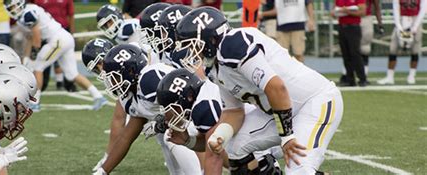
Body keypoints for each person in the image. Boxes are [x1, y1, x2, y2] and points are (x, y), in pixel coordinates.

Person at [175, 7, 343, 174]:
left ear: (211, 39)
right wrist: (220, 136)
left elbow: (276, 87)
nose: (192, 52)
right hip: (281, 111)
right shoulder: (214, 69)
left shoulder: (233, 44)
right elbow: (233, 112)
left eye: (193, 45)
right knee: (236, 146)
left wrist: (287, 136)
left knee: (299, 170)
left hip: (314, 102)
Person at [93, 44, 201, 175]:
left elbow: (180, 109)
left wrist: (160, 123)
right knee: (166, 137)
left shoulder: (149, 79)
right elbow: (126, 137)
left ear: (130, 71)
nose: (111, 83)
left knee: (171, 134)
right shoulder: (130, 97)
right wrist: (103, 171)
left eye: (114, 77)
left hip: (199, 114)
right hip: (185, 122)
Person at [156, 68, 283, 174]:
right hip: (263, 130)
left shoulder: (203, 108)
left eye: (173, 108)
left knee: (236, 152)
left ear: (188, 97)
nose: (171, 115)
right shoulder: (204, 95)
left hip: (273, 133)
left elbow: (213, 158)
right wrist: (188, 141)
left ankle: (263, 164)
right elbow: (210, 145)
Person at [4, 0, 108, 112]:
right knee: (71, 75)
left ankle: (35, 102)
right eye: (10, 8)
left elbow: (37, 38)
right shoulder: (24, 14)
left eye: (13, 6)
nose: (13, 9)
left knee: (38, 67)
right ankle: (98, 96)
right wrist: (26, 57)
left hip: (57, 39)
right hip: (63, 37)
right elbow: (31, 37)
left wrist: (33, 56)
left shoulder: (28, 13)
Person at [30, 0, 77, 92]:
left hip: (62, 30)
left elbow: (71, 14)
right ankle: (43, 85)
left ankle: (66, 83)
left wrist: (72, 32)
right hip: (47, 34)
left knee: (65, 61)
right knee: (44, 63)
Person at [377, 0, 426, 85]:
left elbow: (423, 9)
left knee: (415, 50)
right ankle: (390, 76)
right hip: (401, 18)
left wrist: (415, 26)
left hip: (415, 18)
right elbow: (396, 9)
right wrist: (399, 26)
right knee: (393, 48)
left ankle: (411, 75)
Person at [331, 0, 369, 86]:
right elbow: (333, 12)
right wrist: (334, 13)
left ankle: (362, 79)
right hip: (342, 27)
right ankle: (350, 79)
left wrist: (347, 11)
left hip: (353, 27)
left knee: (355, 53)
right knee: (345, 54)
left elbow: (363, 12)